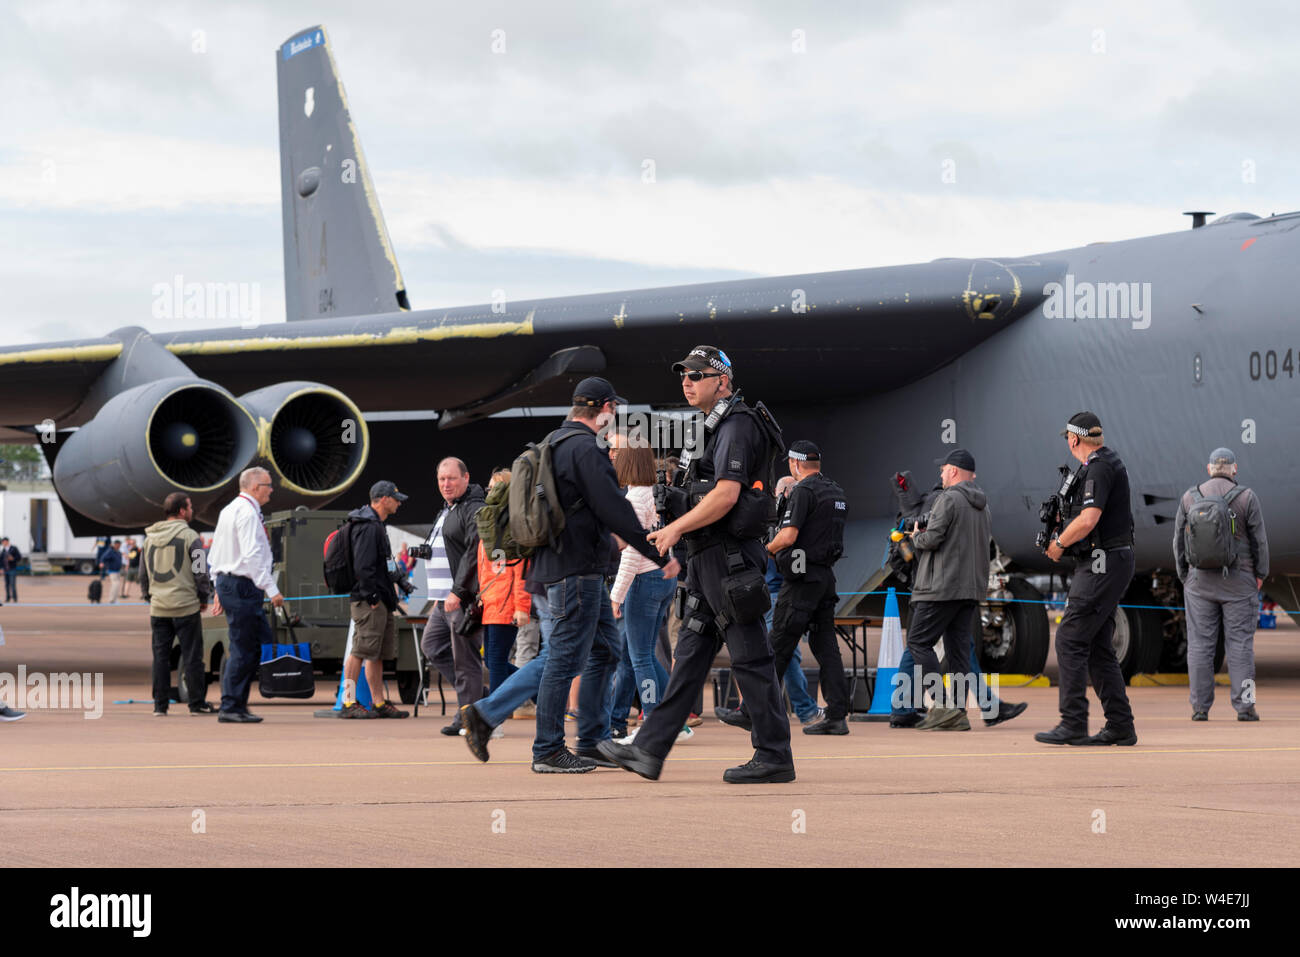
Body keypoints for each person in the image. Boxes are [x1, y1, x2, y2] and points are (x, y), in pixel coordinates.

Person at [600, 346, 794, 783]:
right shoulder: (715, 426)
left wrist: (673, 529)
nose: (686, 382)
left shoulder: (738, 425)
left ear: (722, 379)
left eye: (696, 375)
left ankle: (775, 755)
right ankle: (650, 749)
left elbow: (726, 495)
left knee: (750, 657)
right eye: (683, 375)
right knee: (689, 655)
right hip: (709, 560)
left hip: (729, 558)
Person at [522, 376, 679, 773]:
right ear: (606, 409)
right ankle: (548, 750)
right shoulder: (586, 449)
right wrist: (658, 555)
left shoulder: (554, 442)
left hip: (562, 567)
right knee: (562, 659)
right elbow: (615, 510)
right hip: (576, 572)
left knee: (605, 649)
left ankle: (591, 741)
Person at [1036, 412, 1138, 746]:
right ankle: (1120, 725)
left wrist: (1058, 543)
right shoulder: (1097, 465)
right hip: (1106, 560)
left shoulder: (1099, 467)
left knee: (1069, 638)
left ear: (1074, 439)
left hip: (1101, 562)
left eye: (1067, 437)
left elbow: (1089, 518)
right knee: (1096, 645)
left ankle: (1073, 722)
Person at [762, 440, 852, 734]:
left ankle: (756, 712)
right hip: (826, 577)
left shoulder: (803, 491)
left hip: (801, 579)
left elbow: (787, 536)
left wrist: (766, 549)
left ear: (795, 464)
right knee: (826, 647)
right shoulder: (836, 491)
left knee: (778, 644)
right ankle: (837, 716)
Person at [1173, 447, 1268, 721]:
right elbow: (1260, 541)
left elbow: (1178, 541)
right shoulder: (1247, 498)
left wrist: (1185, 576)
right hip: (1240, 583)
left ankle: (1200, 708)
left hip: (1199, 583)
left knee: (1200, 644)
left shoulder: (1190, 498)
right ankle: (1245, 707)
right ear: (1234, 469)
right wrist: (1260, 574)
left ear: (1209, 468)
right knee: (1240, 644)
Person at [901, 449, 992, 731]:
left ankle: (942, 707)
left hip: (940, 586)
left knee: (918, 642)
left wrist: (917, 536)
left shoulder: (947, 499)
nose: (940, 474)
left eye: (943, 470)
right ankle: (958, 713)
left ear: (953, 471)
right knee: (958, 651)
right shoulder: (983, 505)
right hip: (970, 588)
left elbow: (933, 539)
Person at [609, 433, 681, 741]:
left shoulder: (633, 499)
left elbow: (632, 553)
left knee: (639, 656)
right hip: (663, 578)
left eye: (615, 453)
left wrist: (616, 596)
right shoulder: (656, 493)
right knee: (642, 655)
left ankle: (654, 722)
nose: (611, 457)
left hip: (643, 581)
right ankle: (674, 717)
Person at [418, 457, 487, 735]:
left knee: (466, 661)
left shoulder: (473, 508)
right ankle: (475, 700)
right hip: (442, 601)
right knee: (432, 647)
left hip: (460, 599)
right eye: (441, 479)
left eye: (452, 478)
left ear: (466, 478)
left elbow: (474, 552)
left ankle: (471, 718)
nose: (446, 484)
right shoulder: (448, 509)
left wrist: (458, 591)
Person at [208, 467, 283, 723]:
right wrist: (272, 589)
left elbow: (215, 553)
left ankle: (236, 702)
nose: (271, 489)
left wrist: (218, 585)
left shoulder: (230, 510)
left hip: (233, 583)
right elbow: (251, 556)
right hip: (242, 585)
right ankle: (231, 706)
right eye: (268, 485)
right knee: (244, 647)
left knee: (254, 643)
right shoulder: (248, 514)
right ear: (254, 487)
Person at [140, 493, 217, 715]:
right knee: (193, 656)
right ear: (182, 511)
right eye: (190, 506)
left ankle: (159, 706)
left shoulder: (149, 538)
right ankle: (196, 703)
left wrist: (149, 597)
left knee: (160, 658)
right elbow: (201, 568)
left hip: (159, 607)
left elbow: (143, 574)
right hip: (185, 606)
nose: (192, 510)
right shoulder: (190, 536)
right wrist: (204, 597)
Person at [339, 481, 410, 719]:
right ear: (382, 499)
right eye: (395, 498)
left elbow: (384, 563)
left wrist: (399, 581)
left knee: (376, 652)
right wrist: (371, 597)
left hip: (380, 599)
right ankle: (348, 702)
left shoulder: (376, 525)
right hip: (370, 600)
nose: (399, 502)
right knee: (360, 650)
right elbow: (363, 566)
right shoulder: (369, 527)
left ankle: (378, 703)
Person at [476, 468, 530, 696]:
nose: (490, 492)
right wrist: (482, 596)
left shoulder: (512, 527)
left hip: (506, 605)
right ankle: (536, 690)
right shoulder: (493, 523)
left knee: (496, 661)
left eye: (494, 487)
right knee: (491, 659)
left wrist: (521, 607)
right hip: (492, 602)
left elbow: (521, 571)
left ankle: (494, 714)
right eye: (489, 487)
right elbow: (487, 569)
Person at [1, 537, 20, 603]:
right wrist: (1, 568)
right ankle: (8, 597)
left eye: (3, 542)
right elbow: (1, 560)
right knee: (6, 584)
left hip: (12, 569)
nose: (3, 543)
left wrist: (13, 559)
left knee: (12, 584)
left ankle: (15, 598)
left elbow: (19, 557)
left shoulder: (14, 548)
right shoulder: (3, 550)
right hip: (6, 570)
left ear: (7, 542)